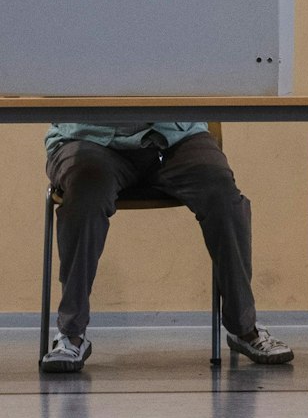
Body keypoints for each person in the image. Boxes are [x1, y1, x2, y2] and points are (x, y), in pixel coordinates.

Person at [41, 121, 293, 372]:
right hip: (88, 138)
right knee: (86, 193)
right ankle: (71, 333)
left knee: (221, 194)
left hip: (174, 136)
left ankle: (244, 327)